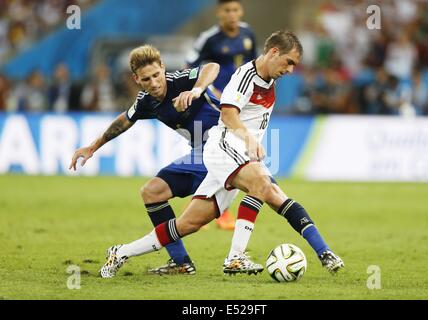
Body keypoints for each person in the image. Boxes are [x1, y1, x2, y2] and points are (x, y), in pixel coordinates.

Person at [100, 31, 344, 279]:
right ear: (273, 53)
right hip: (223, 147)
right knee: (261, 184)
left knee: (189, 223)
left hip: (238, 154)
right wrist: (249, 140)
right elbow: (227, 114)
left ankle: (121, 252)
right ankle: (236, 257)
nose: (291, 69)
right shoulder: (245, 76)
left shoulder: (268, 79)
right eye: (289, 62)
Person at [70, 44, 222, 275]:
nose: (154, 83)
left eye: (156, 75)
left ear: (163, 68)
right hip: (201, 155)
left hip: (224, 146)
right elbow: (124, 120)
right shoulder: (146, 102)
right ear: (136, 79)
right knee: (152, 192)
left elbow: (212, 67)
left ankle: (124, 252)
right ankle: (181, 262)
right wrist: (92, 147)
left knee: (193, 218)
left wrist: (197, 90)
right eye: (146, 79)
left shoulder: (180, 81)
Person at [186, 0, 257, 230]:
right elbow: (190, 66)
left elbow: (256, 66)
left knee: (233, 156)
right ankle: (212, 210)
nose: (232, 14)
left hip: (241, 104)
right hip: (215, 105)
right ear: (219, 12)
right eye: (227, 10)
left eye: (236, 9)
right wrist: (207, 88)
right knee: (212, 154)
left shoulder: (248, 34)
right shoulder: (209, 38)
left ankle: (209, 209)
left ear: (242, 11)